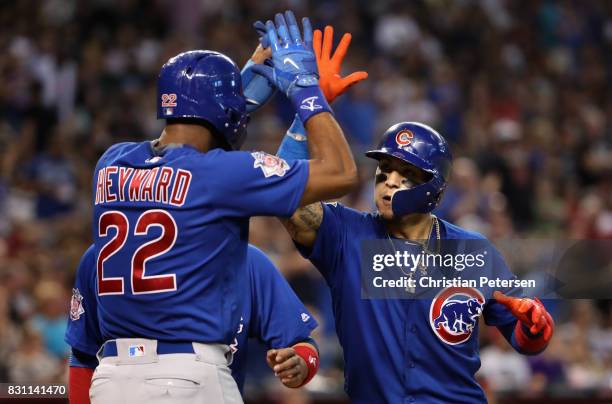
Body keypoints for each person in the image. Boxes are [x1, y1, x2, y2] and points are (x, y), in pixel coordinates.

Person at [84, 10, 357, 403]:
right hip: (185, 378)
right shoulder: (223, 173)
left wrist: (231, 99)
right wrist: (306, 89)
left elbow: (181, 153)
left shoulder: (111, 162)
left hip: (111, 379)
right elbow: (342, 173)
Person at [269, 27, 555, 404]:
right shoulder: (345, 234)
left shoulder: (474, 251)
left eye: (406, 175)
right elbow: (279, 187)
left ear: (434, 187)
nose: (389, 183)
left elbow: (522, 337)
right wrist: (310, 108)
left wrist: (535, 329)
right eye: (384, 172)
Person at [66, 244, 320, 403]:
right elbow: (83, 355)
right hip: (192, 383)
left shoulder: (247, 260)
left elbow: (301, 344)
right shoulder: (101, 257)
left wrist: (299, 364)